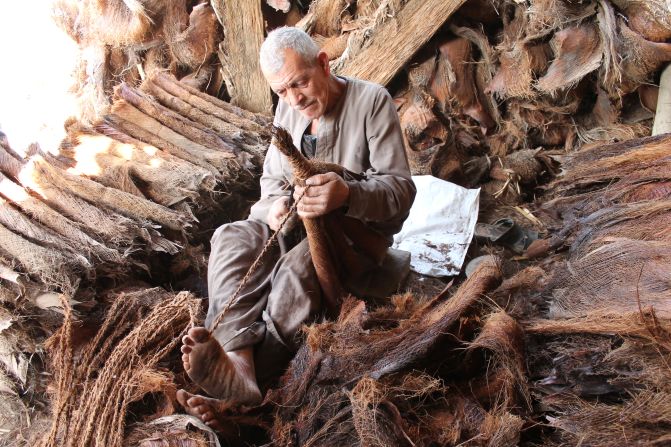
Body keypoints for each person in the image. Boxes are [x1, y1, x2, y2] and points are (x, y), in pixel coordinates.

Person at [176, 27, 416, 430]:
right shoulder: (289, 110)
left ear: (323, 63)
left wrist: (348, 195)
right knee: (232, 238)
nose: (295, 99)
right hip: (293, 224)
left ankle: (255, 384)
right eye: (282, 91)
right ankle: (236, 364)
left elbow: (401, 191)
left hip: (353, 239)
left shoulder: (371, 102)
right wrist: (275, 208)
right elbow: (271, 183)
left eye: (300, 83)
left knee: (294, 274)